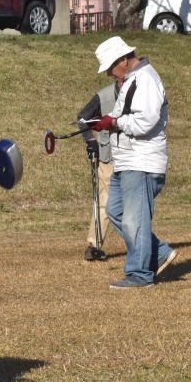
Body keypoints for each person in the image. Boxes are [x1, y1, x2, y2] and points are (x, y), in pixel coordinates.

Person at [88, 36, 177, 289]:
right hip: (127, 161)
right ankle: (158, 253)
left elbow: (145, 122)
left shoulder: (146, 79)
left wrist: (114, 123)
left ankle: (140, 274)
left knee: (133, 220)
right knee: (115, 211)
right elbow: (124, 115)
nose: (108, 74)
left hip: (142, 162)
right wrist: (103, 120)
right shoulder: (131, 80)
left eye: (109, 68)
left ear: (124, 60)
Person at [76, 82, 117, 261]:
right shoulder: (104, 95)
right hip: (109, 157)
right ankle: (94, 245)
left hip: (133, 157)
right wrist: (91, 141)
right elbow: (82, 118)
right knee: (104, 202)